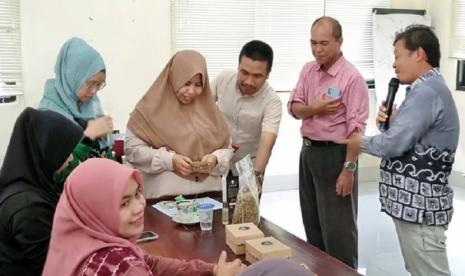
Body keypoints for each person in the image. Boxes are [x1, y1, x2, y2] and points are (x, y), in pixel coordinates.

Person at [339, 25, 459, 276]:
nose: (394, 65)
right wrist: (394, 123)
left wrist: (359, 142)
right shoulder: (425, 89)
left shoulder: (426, 91)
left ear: (419, 54)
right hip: (416, 208)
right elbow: (408, 139)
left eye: (397, 56)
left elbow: (393, 144)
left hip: (421, 209)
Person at [42, 158, 244, 276]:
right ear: (95, 209)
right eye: (123, 203)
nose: (138, 207)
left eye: (138, 193)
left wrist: (212, 270)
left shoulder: (78, 244)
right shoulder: (122, 266)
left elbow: (151, 262)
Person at [287, 16, 369, 268]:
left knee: (339, 231)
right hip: (308, 152)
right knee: (312, 224)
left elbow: (356, 131)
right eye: (313, 43)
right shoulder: (308, 70)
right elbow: (294, 107)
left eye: (323, 43)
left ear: (339, 41)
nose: (317, 49)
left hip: (336, 156)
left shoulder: (352, 78)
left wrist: (348, 170)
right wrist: (315, 108)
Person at [125, 50, 232, 199]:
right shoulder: (147, 110)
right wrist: (170, 160)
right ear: (174, 78)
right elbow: (132, 151)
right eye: (186, 83)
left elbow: (227, 147)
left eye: (198, 85)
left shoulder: (210, 111)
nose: (192, 91)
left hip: (210, 199)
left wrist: (215, 159)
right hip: (164, 200)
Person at [0, 108, 83, 275]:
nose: (71, 158)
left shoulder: (29, 185)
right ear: (47, 149)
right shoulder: (28, 207)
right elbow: (53, 268)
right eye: (65, 151)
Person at [38, 37, 114, 182]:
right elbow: (58, 174)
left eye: (99, 85)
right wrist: (89, 136)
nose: (93, 91)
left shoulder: (91, 106)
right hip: (64, 199)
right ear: (72, 75)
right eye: (90, 83)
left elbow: (104, 153)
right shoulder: (47, 115)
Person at [211, 40, 282, 191]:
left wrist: (256, 178)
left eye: (257, 76)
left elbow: (266, 144)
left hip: (248, 165)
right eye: (244, 73)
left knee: (245, 212)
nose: (249, 81)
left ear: (268, 74)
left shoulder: (272, 102)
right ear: (238, 67)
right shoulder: (223, 79)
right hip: (217, 159)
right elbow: (200, 108)